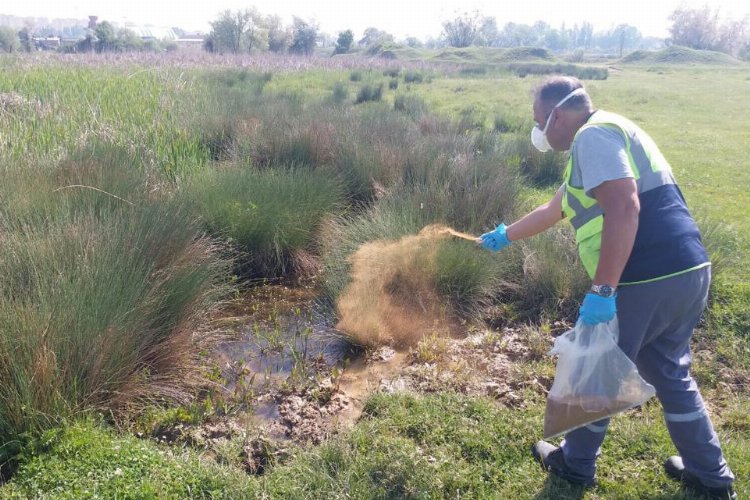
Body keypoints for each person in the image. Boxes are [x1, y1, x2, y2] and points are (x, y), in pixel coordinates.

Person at [479, 76, 735, 499]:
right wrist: (507, 234)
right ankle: (711, 474)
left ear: (558, 115)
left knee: (595, 370)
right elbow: (554, 207)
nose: (538, 132)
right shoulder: (608, 134)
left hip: (643, 276)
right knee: (671, 374)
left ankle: (575, 465)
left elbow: (624, 206)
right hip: (688, 270)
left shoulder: (592, 137)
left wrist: (603, 290)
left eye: (539, 122)